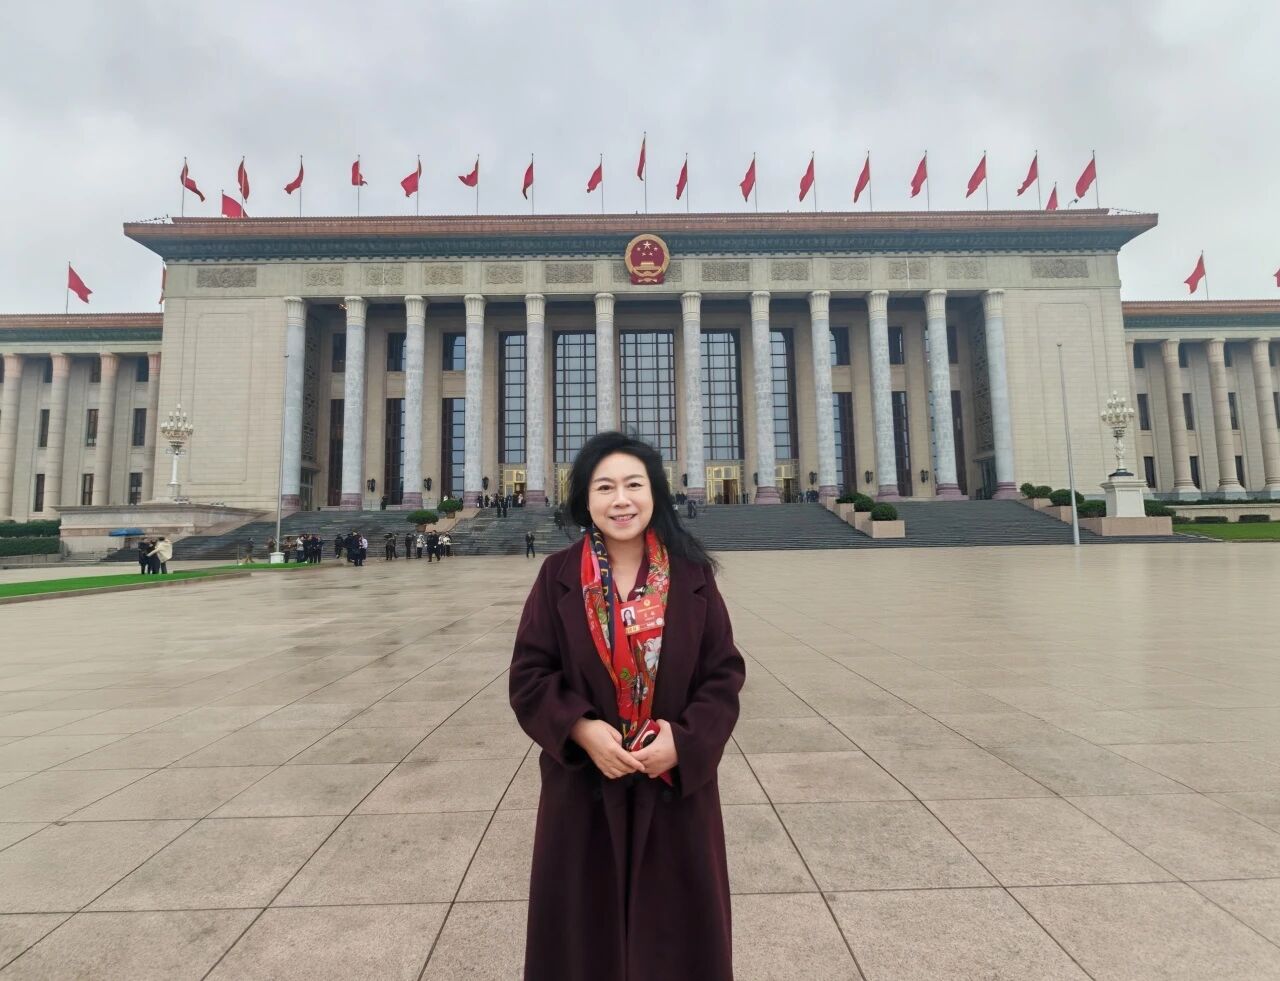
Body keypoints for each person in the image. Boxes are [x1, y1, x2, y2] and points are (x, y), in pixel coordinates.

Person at [509, 430, 744, 981]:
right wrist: (581, 730)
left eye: (634, 485)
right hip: (586, 788)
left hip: (673, 787)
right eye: (605, 487)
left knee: (677, 940)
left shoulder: (691, 575)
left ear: (655, 493)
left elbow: (723, 675)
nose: (621, 500)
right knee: (583, 939)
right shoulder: (558, 576)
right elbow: (530, 675)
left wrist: (682, 742)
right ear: (585, 499)